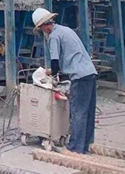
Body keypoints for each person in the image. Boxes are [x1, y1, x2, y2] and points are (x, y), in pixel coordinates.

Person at [32, 8, 98, 154]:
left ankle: (75, 147)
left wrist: (50, 74)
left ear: (44, 27)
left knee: (77, 112)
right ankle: (85, 144)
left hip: (79, 76)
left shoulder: (54, 37)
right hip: (90, 72)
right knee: (88, 111)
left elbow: (55, 62)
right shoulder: (66, 30)